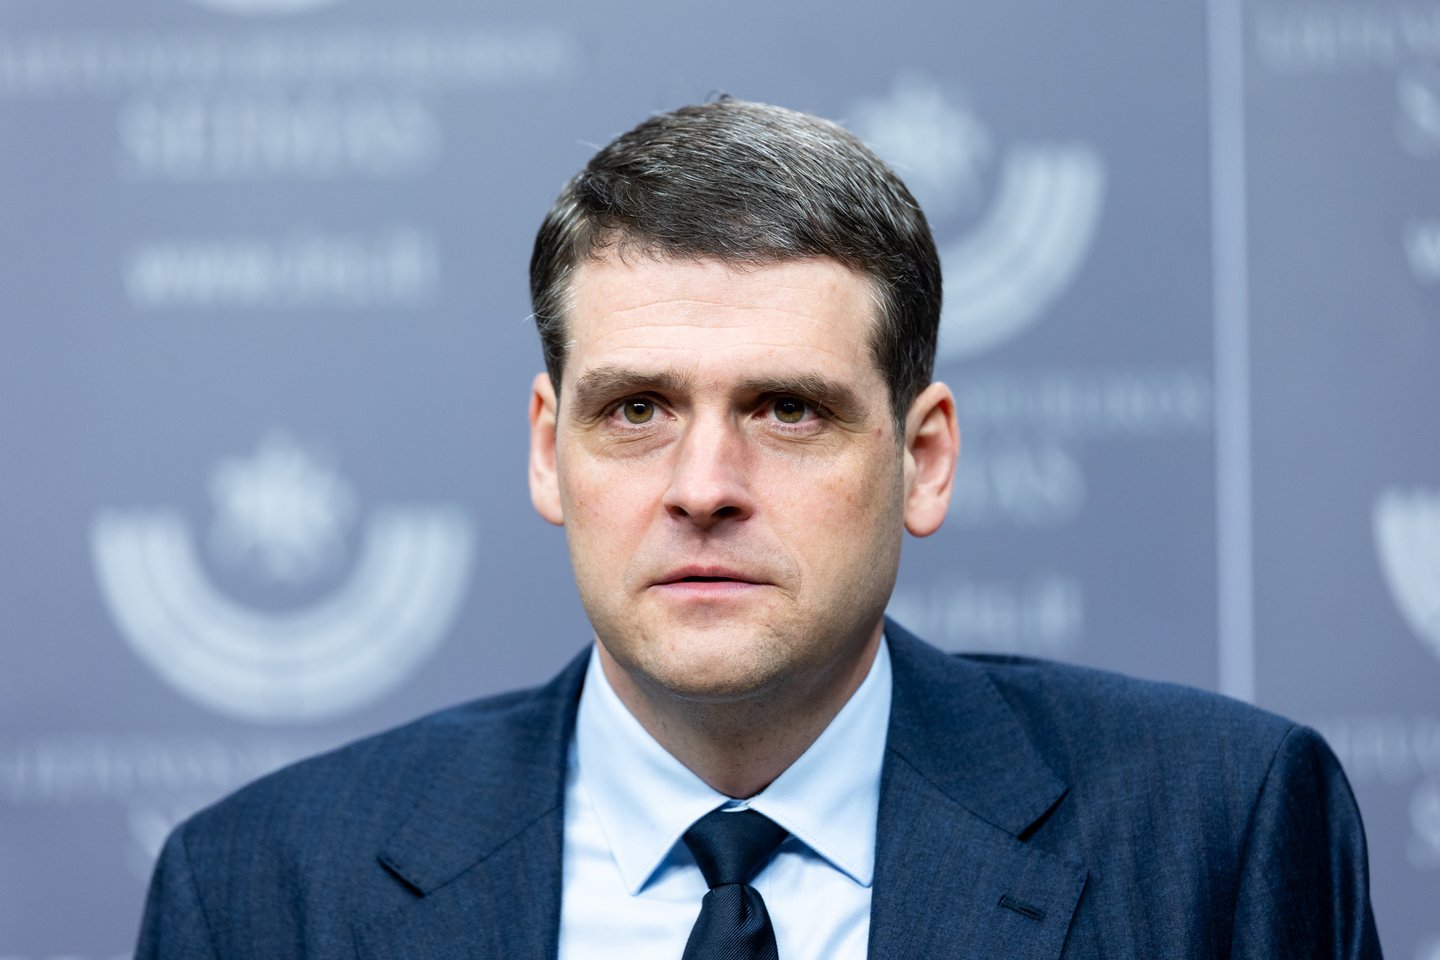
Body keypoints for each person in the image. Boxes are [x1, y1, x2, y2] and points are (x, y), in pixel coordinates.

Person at [135, 98, 1382, 959]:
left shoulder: (1218, 833)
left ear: (923, 461)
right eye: (636, 410)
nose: (704, 486)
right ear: (548, 450)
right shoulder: (262, 891)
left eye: (788, 410)